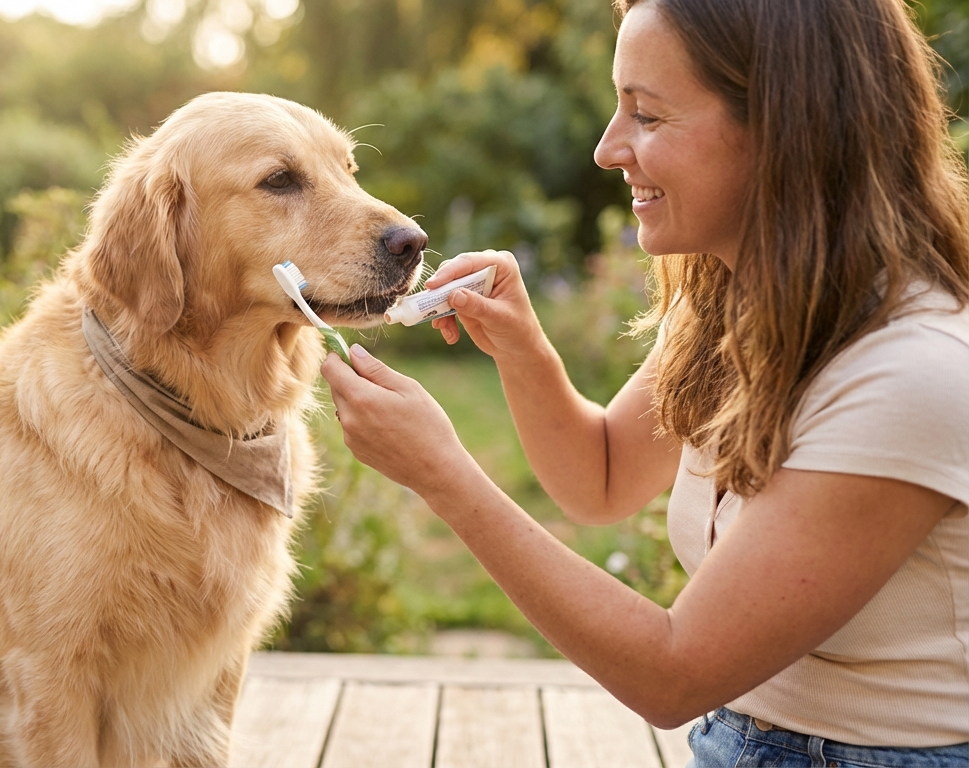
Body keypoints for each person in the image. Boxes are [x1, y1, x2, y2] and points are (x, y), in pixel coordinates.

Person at [321, 0, 969, 765]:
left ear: (790, 129)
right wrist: (527, 351)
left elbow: (673, 673)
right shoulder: (736, 297)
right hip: (743, 739)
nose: (606, 148)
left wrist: (445, 478)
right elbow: (600, 481)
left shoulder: (911, 372)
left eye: (648, 115)